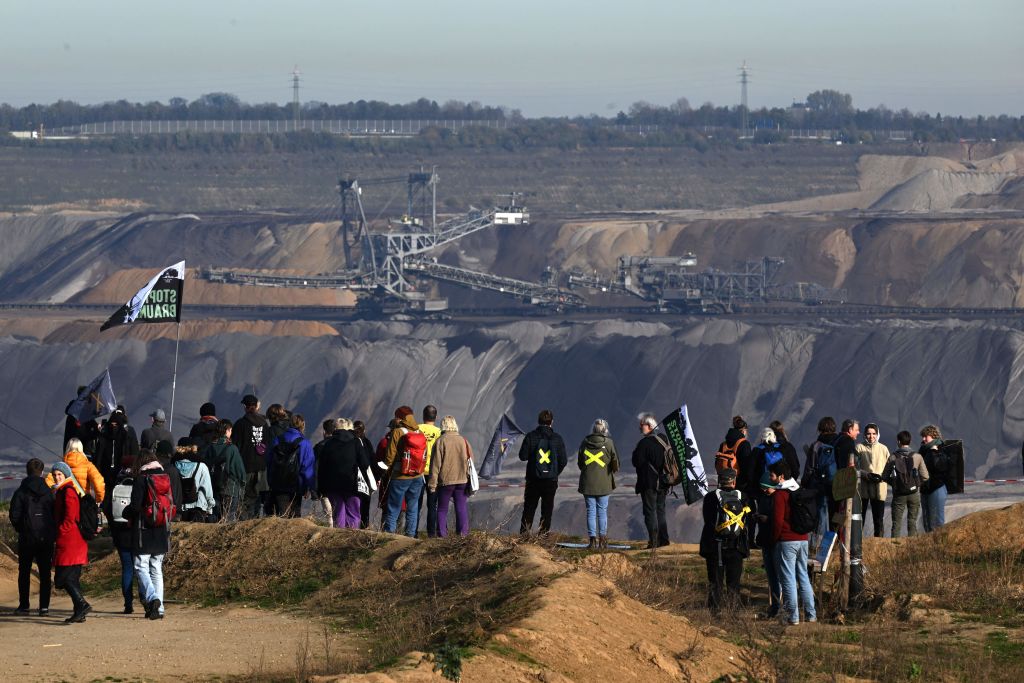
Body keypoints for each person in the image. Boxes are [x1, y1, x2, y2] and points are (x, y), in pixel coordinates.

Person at [123, 450, 172, 620]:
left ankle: (153, 599)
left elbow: (135, 507)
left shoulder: (141, 479)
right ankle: (160, 609)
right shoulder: (164, 476)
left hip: (143, 529)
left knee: (140, 566)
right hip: (161, 528)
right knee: (156, 568)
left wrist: (126, 511)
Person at [769, 460, 817, 626]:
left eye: (772, 475)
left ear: (781, 476)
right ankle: (811, 614)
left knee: (788, 578)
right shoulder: (799, 490)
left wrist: (774, 538)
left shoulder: (780, 494)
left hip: (787, 540)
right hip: (803, 539)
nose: (771, 478)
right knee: (803, 576)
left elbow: (777, 520)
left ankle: (793, 616)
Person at [698, 468, 751, 612]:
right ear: (734, 481)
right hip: (737, 546)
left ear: (718, 481)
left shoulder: (710, 498)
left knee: (715, 582)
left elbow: (708, 521)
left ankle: (715, 612)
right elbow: (748, 521)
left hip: (715, 546)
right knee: (734, 583)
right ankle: (732, 612)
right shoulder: (744, 497)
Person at [8, 458, 55, 616]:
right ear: (42, 472)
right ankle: (44, 607)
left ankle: (24, 605)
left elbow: (14, 515)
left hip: (27, 537)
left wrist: (22, 529)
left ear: (27, 472)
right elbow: (55, 513)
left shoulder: (21, 491)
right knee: (45, 573)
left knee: (24, 572)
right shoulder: (49, 492)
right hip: (45, 537)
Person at [50, 462, 91, 623]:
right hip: (72, 540)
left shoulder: (67, 492)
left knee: (63, 578)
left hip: (70, 541)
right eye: (54, 475)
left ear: (66, 475)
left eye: (59, 474)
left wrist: (60, 531)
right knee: (71, 577)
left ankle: (81, 605)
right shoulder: (63, 491)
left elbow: (70, 517)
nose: (56, 477)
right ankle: (79, 611)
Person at [518, 409, 567, 536]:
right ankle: (543, 536)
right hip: (550, 481)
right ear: (552, 422)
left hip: (533, 479)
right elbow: (563, 461)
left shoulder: (531, 436)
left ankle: (524, 536)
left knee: (529, 508)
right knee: (547, 510)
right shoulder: (557, 439)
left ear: (538, 421)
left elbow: (522, 456)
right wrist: (554, 472)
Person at [318, 418, 372, 529]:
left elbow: (322, 467)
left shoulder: (328, 444)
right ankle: (351, 540)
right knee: (354, 513)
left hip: (333, 485)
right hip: (352, 484)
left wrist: (321, 488)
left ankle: (339, 539)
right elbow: (364, 464)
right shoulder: (356, 442)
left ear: (335, 429)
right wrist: (367, 483)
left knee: (338, 513)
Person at [428, 415, 474, 537]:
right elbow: (471, 461)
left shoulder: (440, 441)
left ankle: (442, 535)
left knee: (442, 509)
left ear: (443, 426)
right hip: (462, 480)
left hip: (446, 482)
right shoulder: (464, 441)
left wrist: (432, 484)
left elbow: (435, 465)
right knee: (461, 507)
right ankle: (463, 534)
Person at [104, 464, 142, 614]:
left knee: (127, 569)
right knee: (140, 569)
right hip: (136, 534)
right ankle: (145, 600)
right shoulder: (138, 488)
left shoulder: (115, 488)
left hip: (120, 535)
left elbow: (107, 510)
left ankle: (128, 604)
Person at [577, 418, 619, 549]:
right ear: (605, 430)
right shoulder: (609, 443)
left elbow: (580, 463)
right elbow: (615, 463)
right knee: (602, 511)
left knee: (591, 511)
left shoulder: (584, 442)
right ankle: (602, 540)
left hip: (587, 482)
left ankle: (592, 541)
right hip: (604, 483)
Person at [383, 410, 427, 536]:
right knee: (412, 507)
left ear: (400, 419)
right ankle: (410, 535)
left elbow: (390, 456)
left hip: (400, 475)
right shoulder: (420, 433)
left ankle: (389, 534)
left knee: (394, 506)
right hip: (417, 476)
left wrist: (387, 470)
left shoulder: (397, 432)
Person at [632, 413, 670, 549]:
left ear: (650, 426)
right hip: (664, 482)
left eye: (642, 425)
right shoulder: (664, 439)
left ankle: (653, 541)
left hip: (649, 483)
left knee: (650, 511)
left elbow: (636, 462)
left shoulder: (644, 443)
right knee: (661, 510)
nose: (640, 428)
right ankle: (664, 540)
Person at [881, 430, 930, 537]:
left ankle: (895, 548)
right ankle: (912, 548)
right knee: (912, 521)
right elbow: (925, 476)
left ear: (898, 441)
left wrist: (895, 484)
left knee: (896, 523)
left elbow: (884, 476)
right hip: (914, 494)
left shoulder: (893, 457)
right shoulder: (917, 456)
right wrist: (916, 484)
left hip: (899, 494)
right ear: (910, 441)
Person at [267, 413, 315, 518]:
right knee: (295, 515)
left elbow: (269, 462)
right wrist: (308, 487)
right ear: (303, 426)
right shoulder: (305, 443)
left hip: (278, 483)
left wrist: (270, 481)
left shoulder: (277, 440)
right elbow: (307, 467)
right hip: (296, 484)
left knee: (281, 514)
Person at [802, 416, 841, 538]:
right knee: (837, 511)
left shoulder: (816, 445)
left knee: (821, 512)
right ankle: (836, 539)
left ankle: (820, 543)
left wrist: (804, 482)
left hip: (819, 484)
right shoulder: (839, 442)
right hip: (836, 483)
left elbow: (810, 467)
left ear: (820, 429)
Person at [233, 394, 270, 520]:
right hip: (261, 466)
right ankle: (254, 521)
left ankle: (243, 522)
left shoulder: (240, 424)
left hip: (246, 465)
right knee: (257, 496)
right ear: (256, 407)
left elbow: (235, 445)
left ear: (245, 407)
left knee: (243, 497)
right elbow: (268, 443)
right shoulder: (265, 424)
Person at [201, 419, 246, 522]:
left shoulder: (210, 447)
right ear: (227, 430)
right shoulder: (232, 448)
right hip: (230, 487)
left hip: (214, 487)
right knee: (229, 517)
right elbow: (239, 471)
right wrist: (242, 485)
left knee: (216, 516)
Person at [45, 438, 106, 506]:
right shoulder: (88, 465)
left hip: (65, 502)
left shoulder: (61, 466)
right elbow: (99, 482)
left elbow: (48, 482)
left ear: (67, 448)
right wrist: (98, 500)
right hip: (82, 503)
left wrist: (57, 491)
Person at [755, 472, 783, 618]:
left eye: (767, 488)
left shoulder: (778, 498)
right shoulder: (763, 498)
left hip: (776, 541)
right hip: (765, 539)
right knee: (771, 576)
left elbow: (780, 520)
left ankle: (781, 606)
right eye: (763, 488)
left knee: (779, 575)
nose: (765, 491)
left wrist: (768, 519)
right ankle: (775, 605)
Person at [856, 423, 890, 538]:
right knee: (860, 518)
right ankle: (857, 543)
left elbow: (889, 467)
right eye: (869, 434)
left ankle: (878, 545)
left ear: (878, 434)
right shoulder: (859, 448)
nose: (871, 436)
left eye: (874, 434)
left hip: (879, 488)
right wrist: (866, 474)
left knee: (878, 519)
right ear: (865, 434)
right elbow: (853, 468)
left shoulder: (884, 449)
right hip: (863, 488)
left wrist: (881, 476)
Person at [96, 408, 140, 489]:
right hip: (121, 470)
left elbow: (99, 452)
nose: (114, 426)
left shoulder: (107, 430)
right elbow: (134, 451)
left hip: (112, 470)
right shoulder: (127, 431)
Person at [173, 438, 216, 522]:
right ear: (193, 448)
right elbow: (207, 490)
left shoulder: (173, 466)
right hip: (198, 507)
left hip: (179, 509)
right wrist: (210, 508)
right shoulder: (201, 466)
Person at [418, 405, 442, 538]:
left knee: (416, 503)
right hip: (434, 473)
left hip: (418, 472)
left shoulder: (417, 429)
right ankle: (431, 534)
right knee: (432, 505)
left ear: (423, 416)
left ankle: (412, 532)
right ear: (436, 417)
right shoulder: (439, 432)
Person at [918, 425, 947, 532]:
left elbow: (939, 467)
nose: (923, 439)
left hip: (937, 488)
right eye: (923, 436)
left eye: (926, 436)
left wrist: (934, 452)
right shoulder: (923, 450)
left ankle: (940, 547)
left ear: (933, 436)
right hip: (925, 489)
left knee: (937, 523)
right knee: (927, 521)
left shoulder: (940, 449)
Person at [716, 416, 754, 493]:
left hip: (724, 483)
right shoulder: (744, 444)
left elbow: (717, 463)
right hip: (739, 484)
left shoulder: (723, 445)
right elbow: (746, 466)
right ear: (743, 431)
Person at [63, 387, 101, 460]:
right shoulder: (80, 414)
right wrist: (97, 431)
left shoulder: (74, 412)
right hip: (80, 453)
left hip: (71, 451)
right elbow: (82, 434)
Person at [353, 420, 376, 529]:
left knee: (354, 504)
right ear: (364, 430)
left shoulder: (352, 443)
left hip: (354, 478)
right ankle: (364, 526)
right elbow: (372, 460)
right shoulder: (367, 443)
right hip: (366, 478)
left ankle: (353, 526)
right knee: (365, 505)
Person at [153, 441, 183, 518]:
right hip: (169, 511)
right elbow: (176, 493)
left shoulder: (152, 469)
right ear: (169, 455)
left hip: (153, 510)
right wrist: (177, 512)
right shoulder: (173, 471)